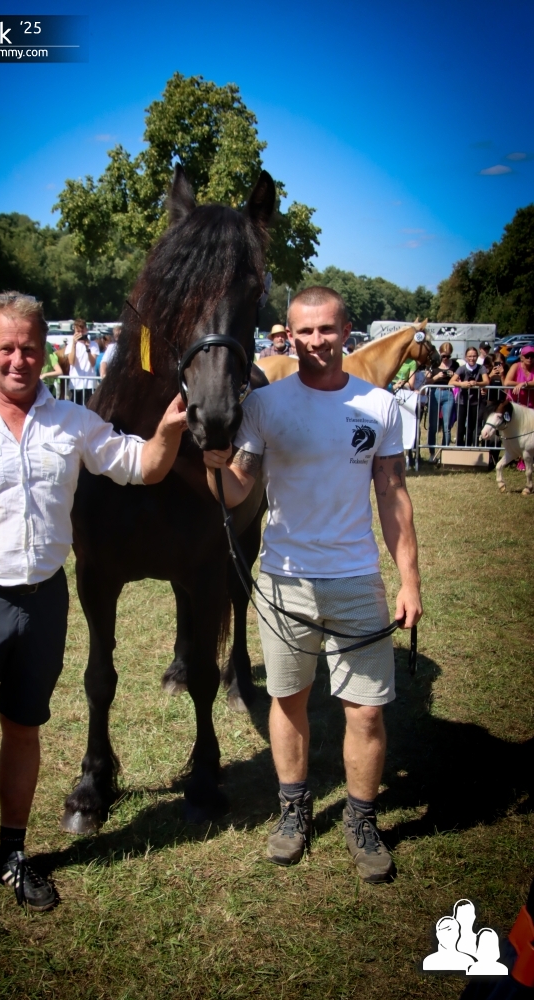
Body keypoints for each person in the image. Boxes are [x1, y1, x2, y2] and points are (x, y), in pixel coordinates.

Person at [0, 292, 187, 913]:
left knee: (24, 731)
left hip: (45, 602)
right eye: (6, 348)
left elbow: (141, 466)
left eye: (30, 348)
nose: (19, 360)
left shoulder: (72, 422)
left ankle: (13, 853)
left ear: (43, 352)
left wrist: (168, 429)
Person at [203, 286, 422, 882]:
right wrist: (212, 463)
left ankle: (362, 819)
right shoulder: (264, 405)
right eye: (304, 331)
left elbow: (392, 495)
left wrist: (409, 581)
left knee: (367, 713)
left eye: (327, 329)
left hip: (357, 579)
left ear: (346, 331)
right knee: (288, 701)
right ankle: (294, 811)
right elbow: (239, 488)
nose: (316, 341)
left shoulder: (380, 405)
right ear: (289, 334)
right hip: (285, 582)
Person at [424, 342, 457, 460]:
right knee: (433, 425)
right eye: (443, 356)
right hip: (435, 393)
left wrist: (453, 375)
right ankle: (432, 453)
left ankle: (444, 453)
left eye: (448, 356)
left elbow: (460, 379)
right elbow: (426, 381)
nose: (445, 358)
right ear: (440, 353)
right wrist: (437, 377)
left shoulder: (455, 364)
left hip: (449, 393)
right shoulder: (434, 364)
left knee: (447, 426)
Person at [449, 347, 489, 446]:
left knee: (472, 426)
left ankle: (469, 446)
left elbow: (486, 381)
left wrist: (477, 383)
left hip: (475, 401)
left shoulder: (481, 368)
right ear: (466, 357)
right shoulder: (462, 368)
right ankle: (459, 446)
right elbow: (451, 382)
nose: (472, 358)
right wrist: (461, 384)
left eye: (474, 356)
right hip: (462, 401)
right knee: (460, 426)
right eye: (470, 356)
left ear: (477, 357)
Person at [65, 318, 96, 406]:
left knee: (89, 410)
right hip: (76, 384)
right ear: (74, 331)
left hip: (89, 384)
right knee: (75, 410)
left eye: (82, 331)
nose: (80, 334)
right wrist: (74, 344)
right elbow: (71, 362)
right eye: (78, 331)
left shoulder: (94, 345)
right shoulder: (70, 345)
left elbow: (93, 363)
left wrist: (88, 349)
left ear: (86, 330)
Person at [504, 344, 534, 408]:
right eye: (527, 356)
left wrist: (524, 384)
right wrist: (520, 384)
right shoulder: (516, 366)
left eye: (532, 356)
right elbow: (507, 382)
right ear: (521, 357)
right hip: (514, 403)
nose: (530, 358)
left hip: (530, 405)